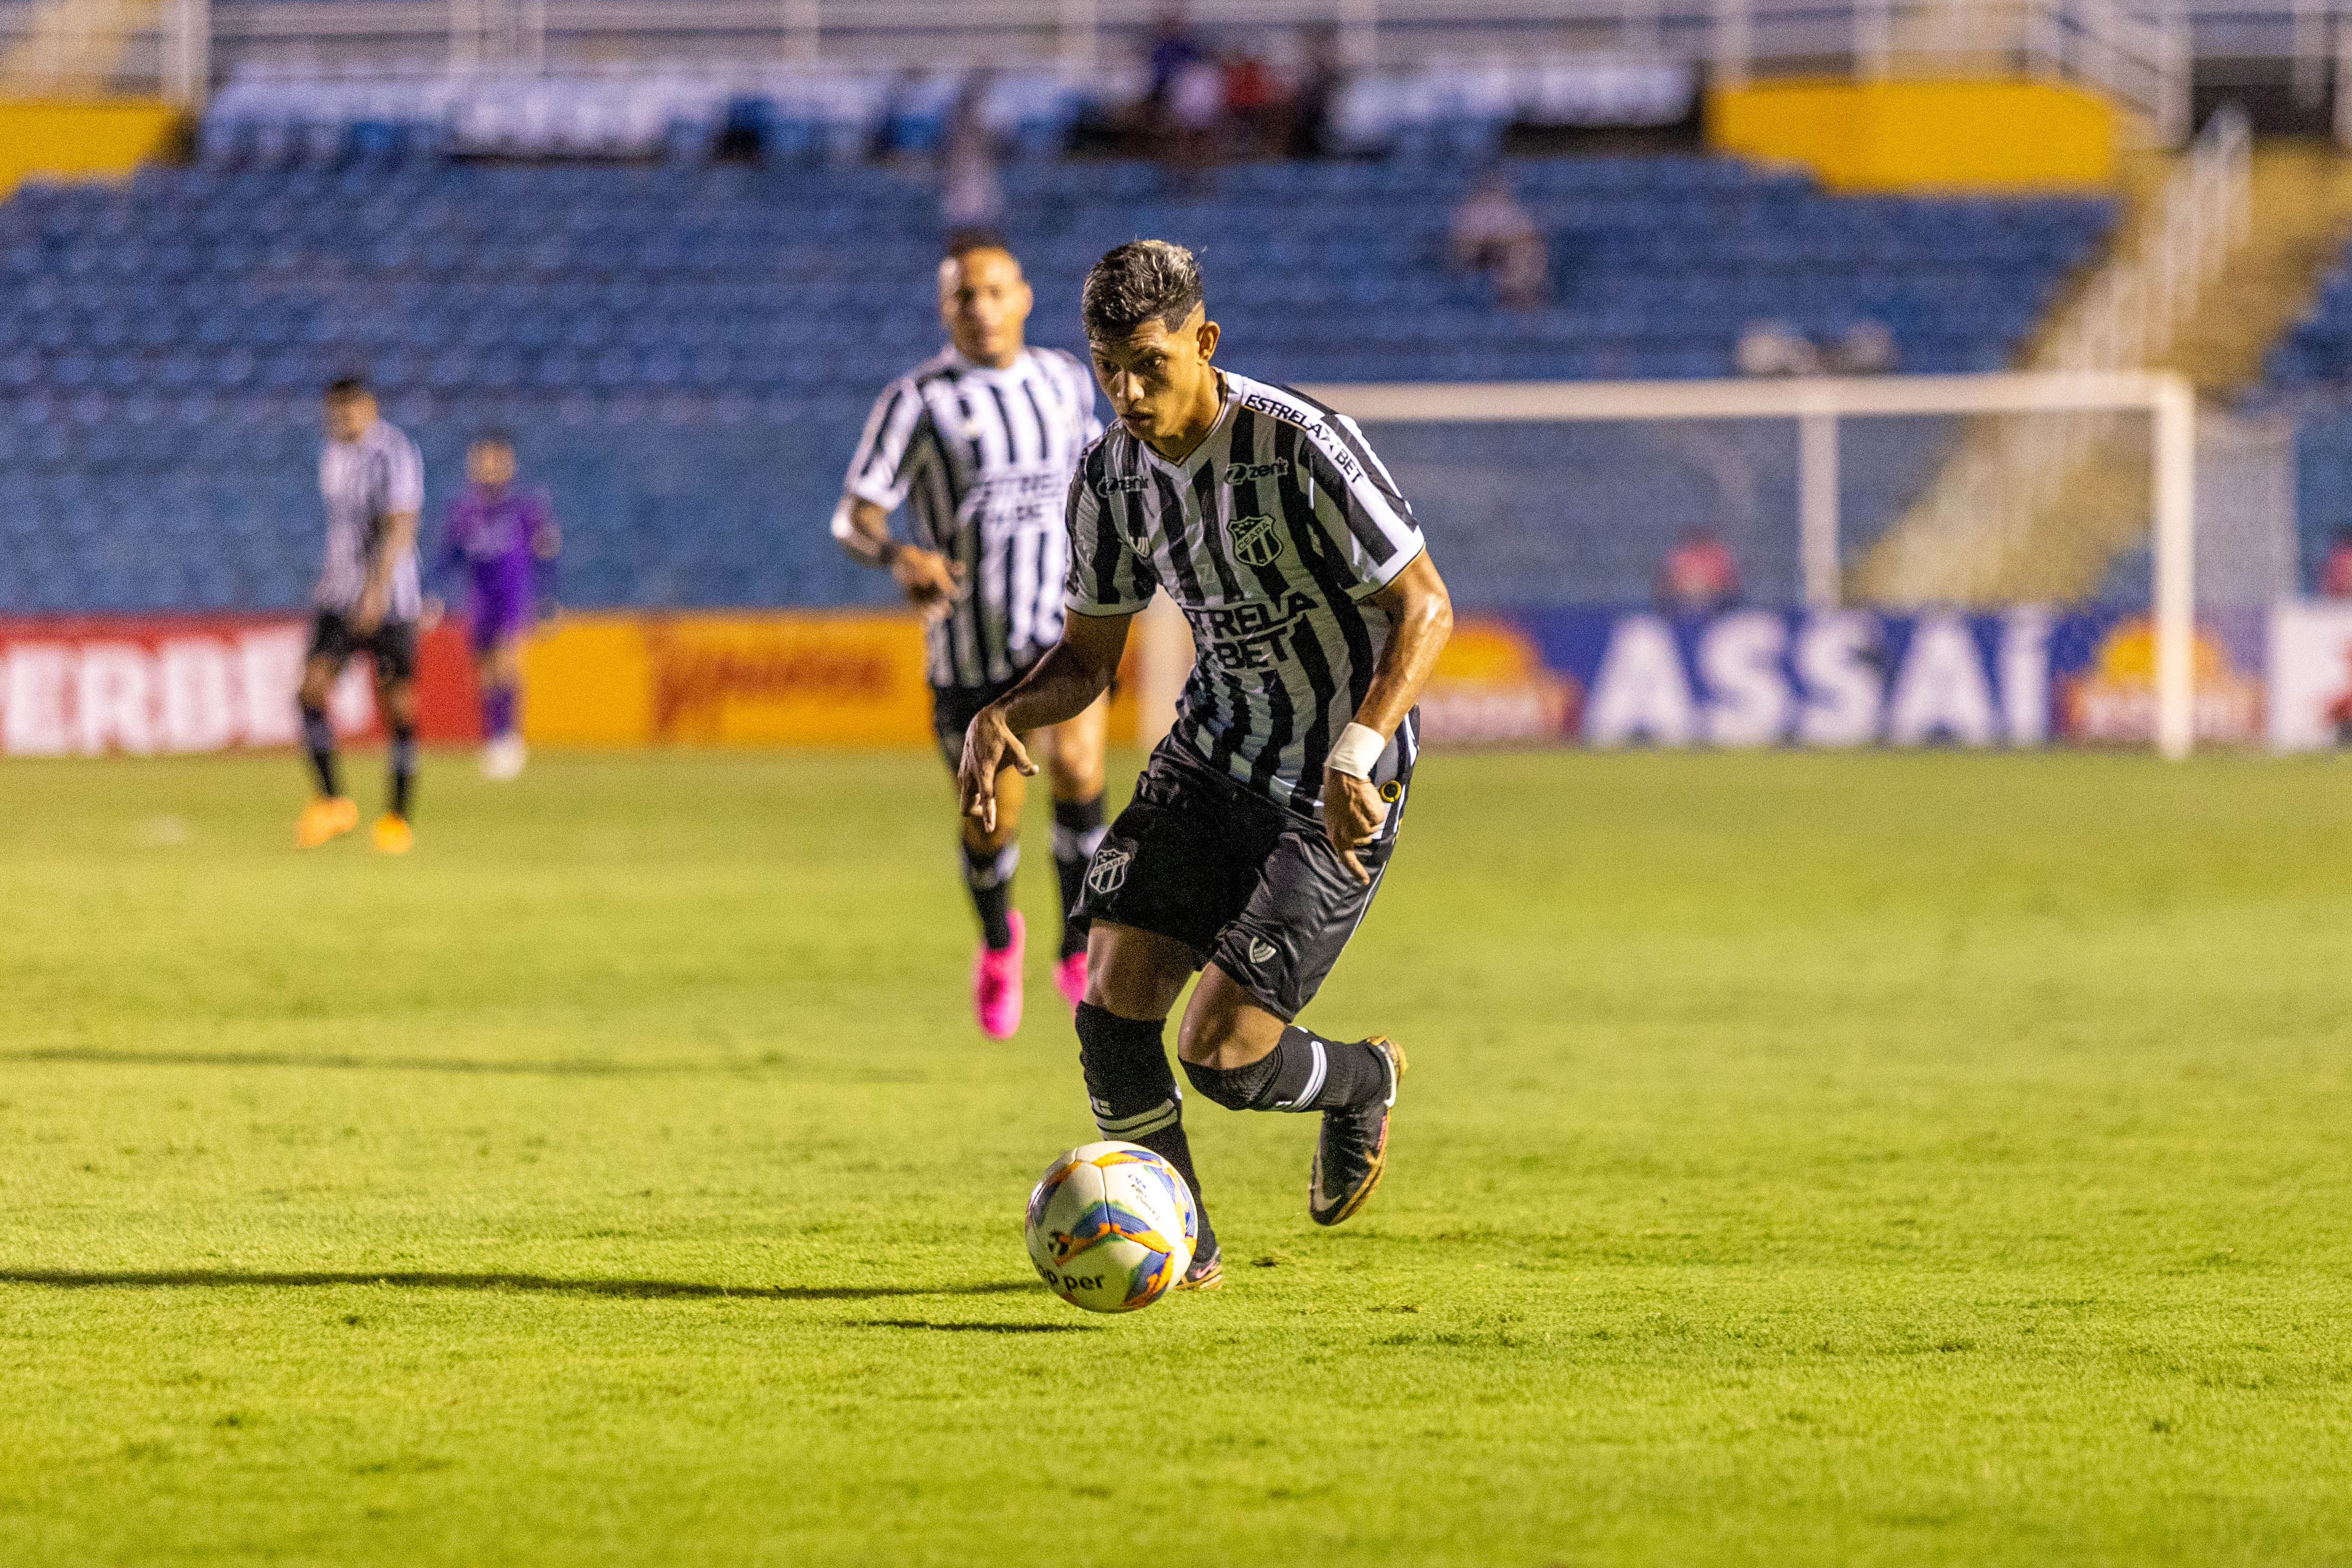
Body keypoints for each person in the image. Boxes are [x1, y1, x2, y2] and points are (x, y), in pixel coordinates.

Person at [958, 240, 1455, 1289]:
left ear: (1204, 342)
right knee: (1112, 1011)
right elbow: (1091, 659)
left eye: (1151, 364)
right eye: (1108, 369)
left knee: (1222, 1057)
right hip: (1210, 756)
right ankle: (1184, 1257)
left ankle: (1362, 1080)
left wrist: (1360, 750)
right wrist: (1001, 715)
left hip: (1334, 787)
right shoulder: (1110, 478)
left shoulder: (1301, 445)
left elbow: (1425, 605)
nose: (1129, 394)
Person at [835, 234, 1111, 1039]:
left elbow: (1100, 478)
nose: (982, 310)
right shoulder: (917, 401)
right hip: (968, 653)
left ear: (1024, 296)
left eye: (995, 292)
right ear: (945, 309)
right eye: (965, 297)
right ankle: (998, 944)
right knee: (993, 821)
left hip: (1060, 634)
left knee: (1082, 766)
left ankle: (1075, 943)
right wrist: (898, 553)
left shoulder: (1064, 384)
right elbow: (854, 515)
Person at [295, 376, 425, 854]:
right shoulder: (333, 453)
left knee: (398, 704)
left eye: (349, 411)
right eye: (334, 412)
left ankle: (396, 819)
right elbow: (342, 530)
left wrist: (376, 589)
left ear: (368, 407)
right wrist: (330, 578)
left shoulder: (393, 453)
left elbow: (401, 525)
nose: (341, 420)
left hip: (390, 601)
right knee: (310, 690)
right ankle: (332, 803)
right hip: (339, 597)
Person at [429, 430, 559, 782]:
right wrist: (435, 592)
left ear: (509, 463)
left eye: (495, 459)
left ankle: (510, 740)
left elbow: (545, 554)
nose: (488, 467)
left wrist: (547, 599)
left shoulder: (526, 507)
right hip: (479, 599)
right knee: (485, 672)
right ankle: (493, 739)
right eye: (482, 459)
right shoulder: (463, 509)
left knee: (506, 664)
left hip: (513, 596)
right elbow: (449, 555)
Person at [1449, 173, 1547, 309]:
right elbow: (1464, 244)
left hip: (1502, 258)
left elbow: (1529, 234)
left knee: (1525, 250)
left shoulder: (1509, 211)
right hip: (1478, 261)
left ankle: (1522, 296)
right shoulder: (1470, 213)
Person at [1658, 525, 1739, 614]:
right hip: (1683, 603)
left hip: (1716, 603)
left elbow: (1729, 584)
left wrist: (1707, 590)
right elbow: (1667, 584)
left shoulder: (1719, 556)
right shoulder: (1680, 556)